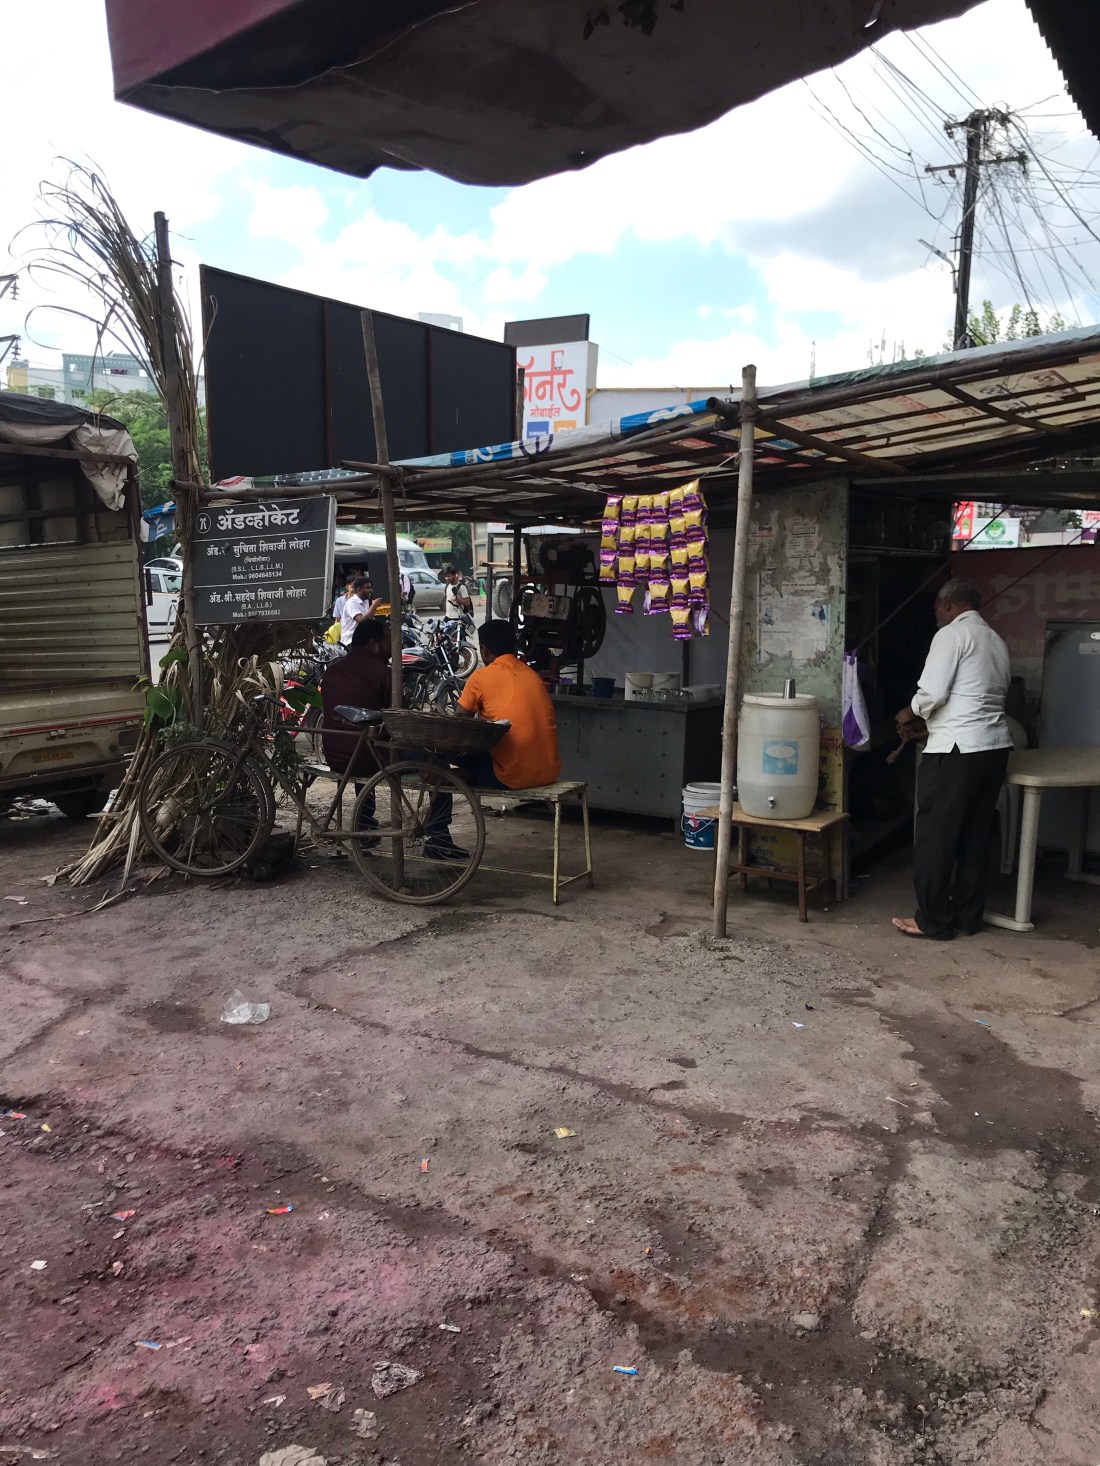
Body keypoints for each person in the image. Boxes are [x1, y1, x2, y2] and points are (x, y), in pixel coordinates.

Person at [892, 577, 1012, 941]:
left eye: (936, 607)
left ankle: (933, 919)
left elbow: (932, 693)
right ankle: (966, 918)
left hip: (956, 751)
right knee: (975, 836)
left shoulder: (951, 635)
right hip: (993, 749)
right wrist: (932, 727)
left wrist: (908, 712)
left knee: (935, 836)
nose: (936, 614)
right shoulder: (995, 640)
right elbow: (976, 697)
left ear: (947, 604)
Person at [455, 619, 561, 789]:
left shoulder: (481, 677)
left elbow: (458, 722)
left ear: (483, 649)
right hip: (549, 771)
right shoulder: (532, 675)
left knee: (437, 757)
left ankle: (444, 787)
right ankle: (463, 775)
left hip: (511, 776)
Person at [340, 576, 383, 645]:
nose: (371, 590)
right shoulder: (351, 603)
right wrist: (374, 606)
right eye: (368, 588)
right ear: (359, 590)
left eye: (370, 588)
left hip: (363, 641)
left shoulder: (366, 602)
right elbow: (362, 620)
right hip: (351, 642)